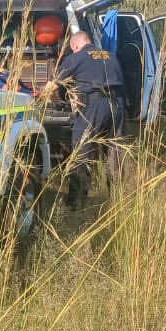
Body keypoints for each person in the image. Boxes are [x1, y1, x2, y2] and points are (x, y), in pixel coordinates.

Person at [43, 30, 127, 205]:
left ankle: (76, 202)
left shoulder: (76, 57)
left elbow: (51, 88)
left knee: (82, 153)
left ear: (75, 46)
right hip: (118, 106)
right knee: (115, 153)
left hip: (93, 107)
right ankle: (118, 199)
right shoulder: (110, 56)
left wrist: (51, 100)